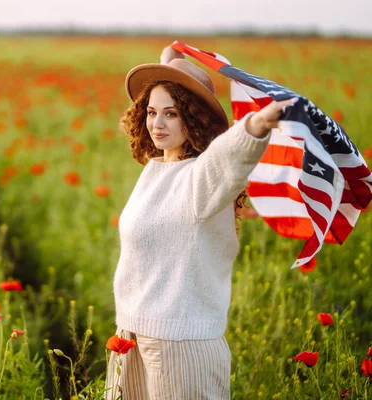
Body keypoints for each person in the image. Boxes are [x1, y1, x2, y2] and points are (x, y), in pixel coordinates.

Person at [104, 45, 296, 399]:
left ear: (193, 119)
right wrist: (170, 68)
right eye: (151, 112)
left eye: (172, 114)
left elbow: (228, 158)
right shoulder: (156, 169)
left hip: (180, 346)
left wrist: (257, 123)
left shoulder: (201, 179)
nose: (157, 124)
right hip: (131, 335)